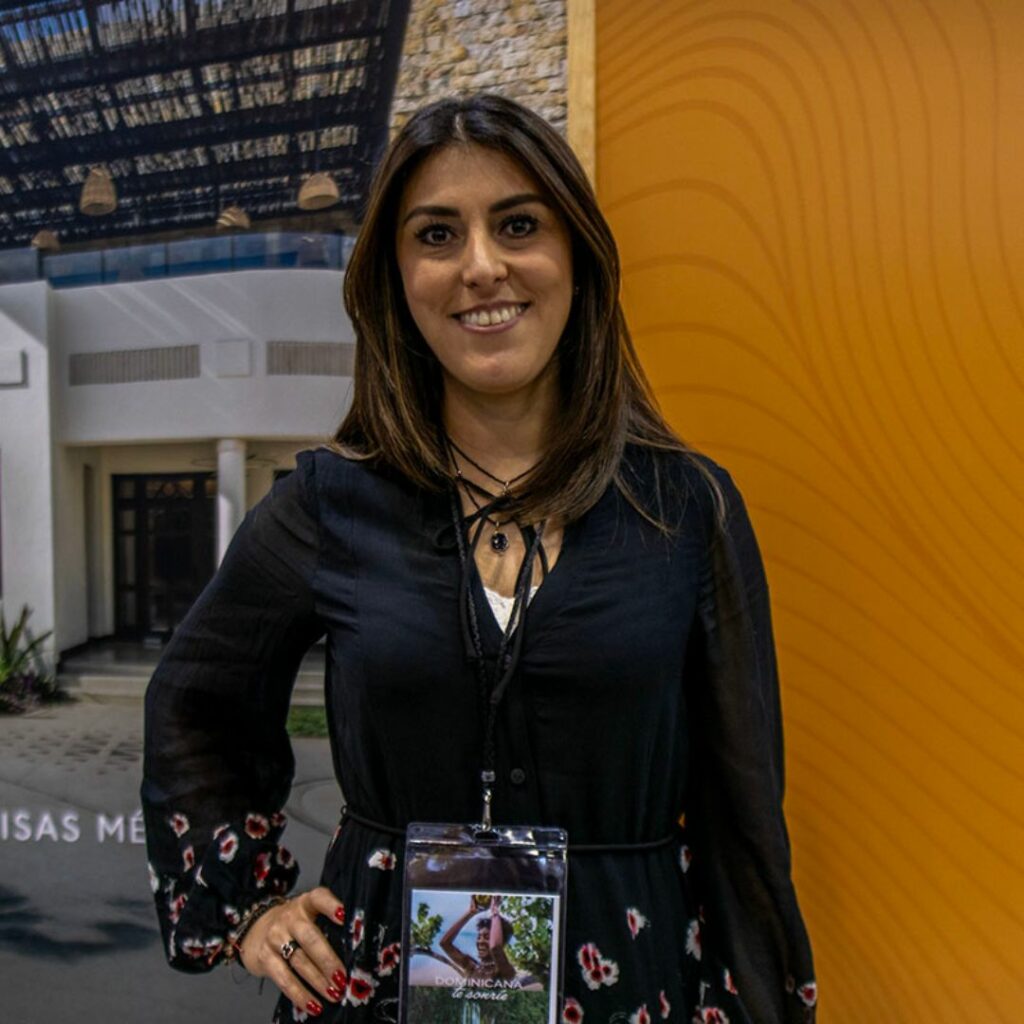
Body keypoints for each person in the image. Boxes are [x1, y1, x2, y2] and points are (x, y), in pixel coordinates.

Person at [142, 93, 817, 1024]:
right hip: (380, 984)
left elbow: (743, 800)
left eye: (519, 224)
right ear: (396, 277)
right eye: (436, 235)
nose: (482, 266)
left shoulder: (685, 508)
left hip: (633, 979)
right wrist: (249, 907)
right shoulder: (328, 504)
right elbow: (194, 701)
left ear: (578, 253)